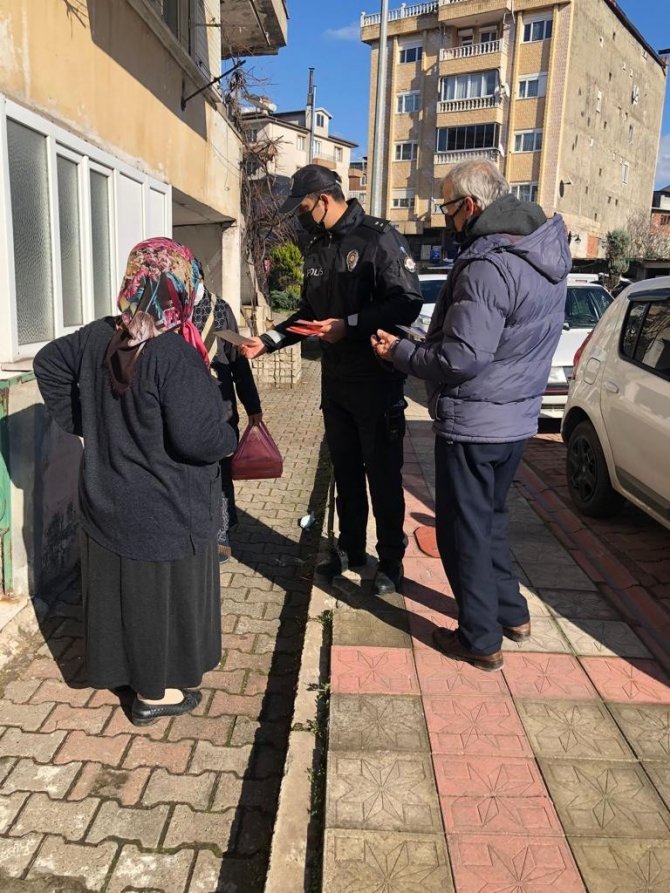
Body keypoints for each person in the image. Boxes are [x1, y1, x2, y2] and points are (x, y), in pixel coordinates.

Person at [373, 160, 570, 670]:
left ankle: (479, 639)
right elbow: (498, 344)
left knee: (463, 531)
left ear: (473, 206)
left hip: (476, 422)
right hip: (516, 419)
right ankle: (512, 612)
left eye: (448, 207)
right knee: (491, 520)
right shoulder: (541, 254)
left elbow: (461, 359)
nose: (446, 218)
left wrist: (399, 352)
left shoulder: (489, 263)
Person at [34, 238, 237, 724]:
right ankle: (154, 694)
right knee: (156, 603)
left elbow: (47, 363)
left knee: (123, 596)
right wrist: (228, 433)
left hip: (107, 499)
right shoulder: (173, 354)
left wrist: (88, 423)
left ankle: (125, 672)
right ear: (180, 288)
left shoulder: (97, 336)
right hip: (165, 509)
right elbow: (197, 440)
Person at [241, 164, 422, 593]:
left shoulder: (378, 239)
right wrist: (266, 340)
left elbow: (407, 303)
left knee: (382, 476)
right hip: (336, 384)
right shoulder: (317, 248)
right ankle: (351, 550)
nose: (300, 217)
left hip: (377, 383)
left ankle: (391, 564)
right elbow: (309, 316)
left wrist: (352, 324)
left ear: (324, 199)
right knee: (344, 472)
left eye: (303, 207)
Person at [192, 260, 263, 561]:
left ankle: (222, 533)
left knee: (220, 472)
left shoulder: (220, 310)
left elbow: (238, 363)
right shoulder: (171, 312)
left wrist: (253, 406)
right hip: (186, 405)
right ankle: (199, 530)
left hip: (219, 406)